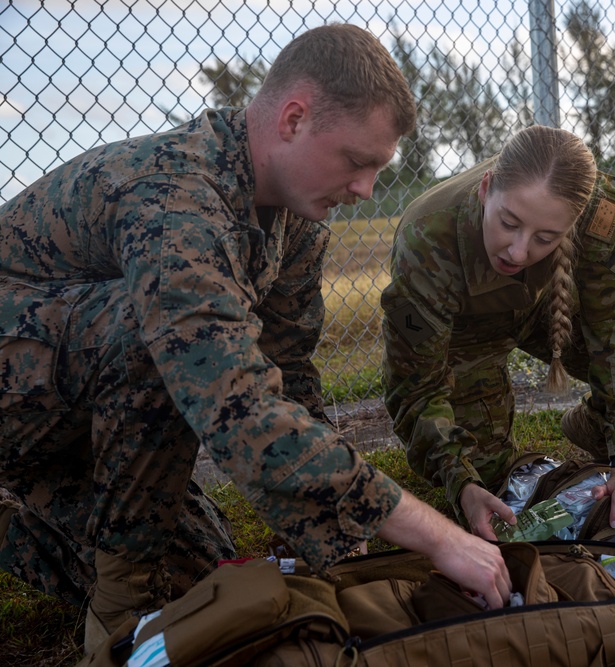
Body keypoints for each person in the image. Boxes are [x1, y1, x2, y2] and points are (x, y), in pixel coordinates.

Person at [0, 23, 510, 654]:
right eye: (357, 162)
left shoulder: (297, 219)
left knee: (203, 579)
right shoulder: (176, 199)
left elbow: (289, 376)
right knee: (149, 337)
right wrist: (431, 533)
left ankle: (25, 518)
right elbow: (233, 399)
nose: (365, 190)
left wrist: (342, 540)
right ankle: (114, 621)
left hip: (79, 423)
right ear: (293, 119)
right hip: (19, 400)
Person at [380, 125, 615, 541]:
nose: (518, 252)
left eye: (544, 238)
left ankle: (586, 426)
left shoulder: (598, 212)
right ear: (486, 189)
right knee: (487, 477)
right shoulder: (427, 240)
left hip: (554, 307)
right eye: (508, 223)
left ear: (572, 224)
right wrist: (460, 482)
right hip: (470, 333)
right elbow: (415, 386)